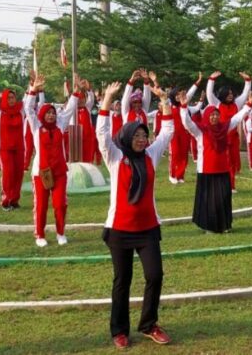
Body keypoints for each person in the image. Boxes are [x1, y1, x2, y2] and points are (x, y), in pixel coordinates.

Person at [97, 81, 173, 349]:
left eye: (144, 135)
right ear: (128, 137)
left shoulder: (152, 155)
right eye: (137, 136)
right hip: (120, 230)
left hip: (147, 229)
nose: (142, 140)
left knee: (155, 275)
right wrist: (107, 99)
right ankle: (119, 330)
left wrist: (164, 100)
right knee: (123, 280)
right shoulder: (115, 157)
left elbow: (167, 131)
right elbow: (102, 133)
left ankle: (149, 324)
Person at [181, 91, 252, 233]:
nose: (214, 117)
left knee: (223, 198)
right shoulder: (200, 130)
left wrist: (248, 105)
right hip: (206, 171)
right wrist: (183, 107)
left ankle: (224, 225)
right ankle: (209, 226)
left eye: (216, 114)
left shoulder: (224, 128)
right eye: (212, 115)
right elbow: (187, 123)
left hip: (223, 170)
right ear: (207, 116)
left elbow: (237, 118)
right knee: (209, 201)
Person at [25, 75, 80, 247]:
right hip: (40, 172)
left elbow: (70, 109)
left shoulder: (60, 125)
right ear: (42, 114)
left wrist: (76, 92)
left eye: (53, 113)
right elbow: (28, 108)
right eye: (48, 113)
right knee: (41, 206)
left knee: (60, 204)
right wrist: (34, 90)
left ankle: (60, 232)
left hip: (59, 172)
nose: (51, 115)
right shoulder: (36, 126)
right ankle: (40, 235)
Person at [0, 65, 26, 211]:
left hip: (19, 148)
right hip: (4, 149)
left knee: (18, 175)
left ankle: (15, 200)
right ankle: (6, 201)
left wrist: (34, 87)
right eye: (8, 97)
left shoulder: (21, 110)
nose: (10, 100)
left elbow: (31, 100)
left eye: (13, 97)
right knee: (8, 174)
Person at [205, 71, 252, 191]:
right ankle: (228, 185)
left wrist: (248, 81)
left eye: (231, 93)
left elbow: (245, 93)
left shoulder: (237, 104)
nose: (231, 95)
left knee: (233, 162)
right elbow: (209, 93)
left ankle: (231, 184)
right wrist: (211, 79)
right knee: (225, 161)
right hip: (221, 138)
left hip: (234, 138)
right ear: (223, 94)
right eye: (228, 94)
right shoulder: (217, 104)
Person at [166, 73, 203, 184]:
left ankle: (180, 176)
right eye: (176, 95)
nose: (179, 96)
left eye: (180, 94)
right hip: (174, 134)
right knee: (175, 154)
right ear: (173, 96)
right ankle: (172, 175)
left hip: (185, 134)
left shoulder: (185, 106)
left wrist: (198, 81)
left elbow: (190, 94)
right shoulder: (169, 105)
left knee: (184, 156)